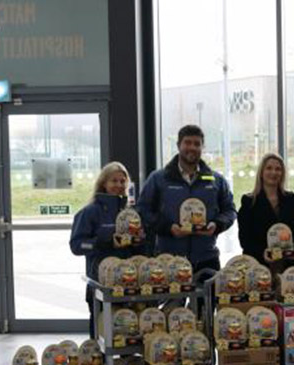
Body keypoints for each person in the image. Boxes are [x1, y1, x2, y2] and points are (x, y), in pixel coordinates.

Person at [137, 124, 236, 278]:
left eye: (197, 144)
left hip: (206, 258)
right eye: (187, 142)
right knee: (172, 303)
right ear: (178, 145)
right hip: (168, 259)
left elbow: (230, 211)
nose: (192, 147)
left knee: (208, 303)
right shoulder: (158, 179)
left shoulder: (217, 181)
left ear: (202, 147)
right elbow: (143, 210)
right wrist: (169, 228)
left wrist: (217, 225)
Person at [70, 161, 142, 338]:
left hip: (128, 282)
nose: (119, 185)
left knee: (128, 334)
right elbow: (77, 245)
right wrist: (105, 242)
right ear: (103, 183)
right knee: (102, 335)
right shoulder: (89, 213)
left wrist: (139, 240)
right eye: (114, 181)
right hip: (100, 283)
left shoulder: (131, 213)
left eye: (122, 181)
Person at [237, 152, 294, 271]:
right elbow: (245, 240)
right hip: (259, 267)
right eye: (269, 168)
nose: (273, 172)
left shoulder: (290, 198)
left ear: (282, 173)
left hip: (288, 266)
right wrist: (264, 254)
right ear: (261, 173)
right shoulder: (248, 201)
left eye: (278, 169)